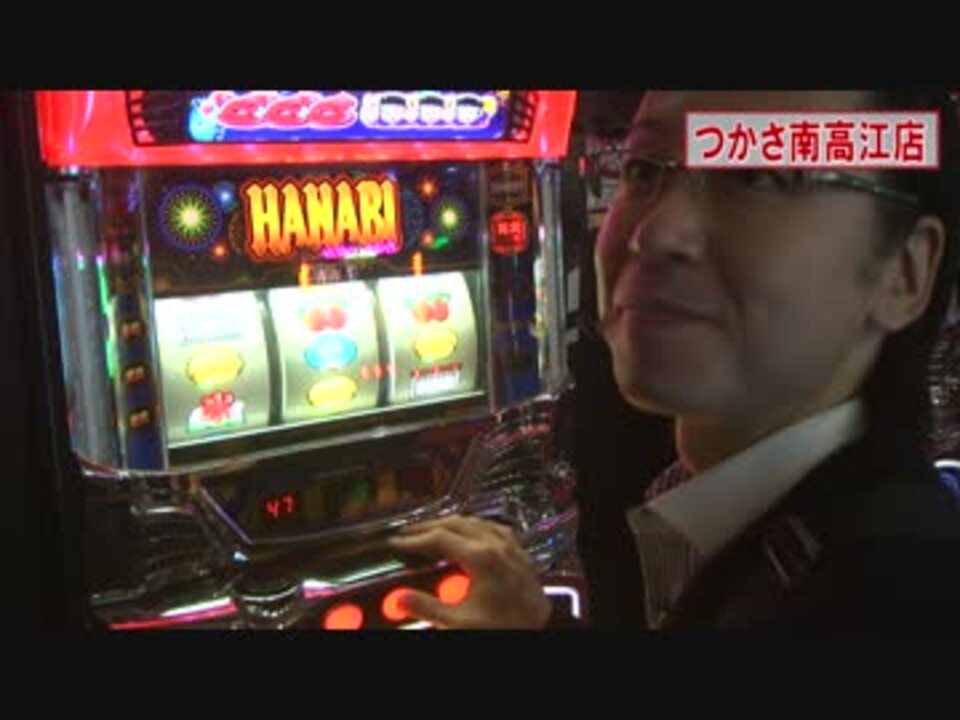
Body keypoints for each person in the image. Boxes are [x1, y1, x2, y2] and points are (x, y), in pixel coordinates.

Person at [388, 90, 960, 629]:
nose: (654, 232)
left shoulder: (903, 592)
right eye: (642, 169)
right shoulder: (760, 526)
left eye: (755, 176)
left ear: (904, 271)